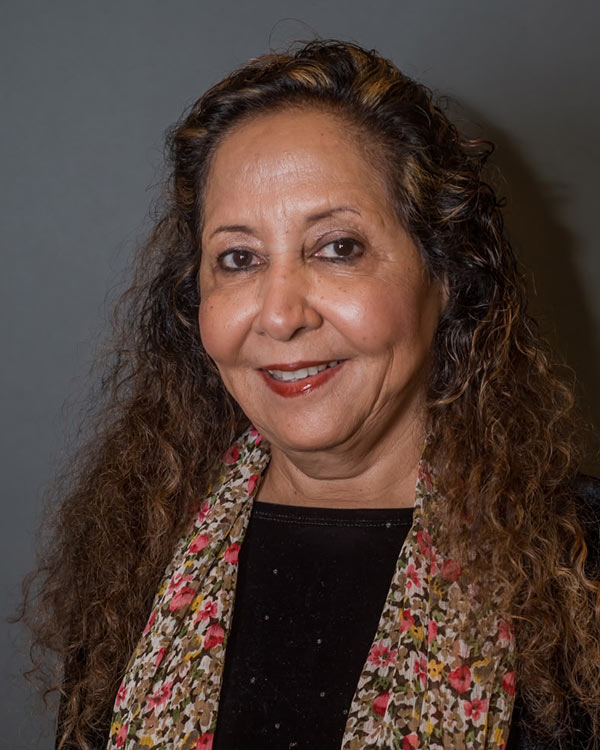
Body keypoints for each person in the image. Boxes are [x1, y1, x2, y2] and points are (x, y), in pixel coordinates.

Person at [22, 40, 599, 750]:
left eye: (337, 248)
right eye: (239, 259)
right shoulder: (138, 554)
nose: (279, 314)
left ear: (445, 275)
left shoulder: (582, 567)